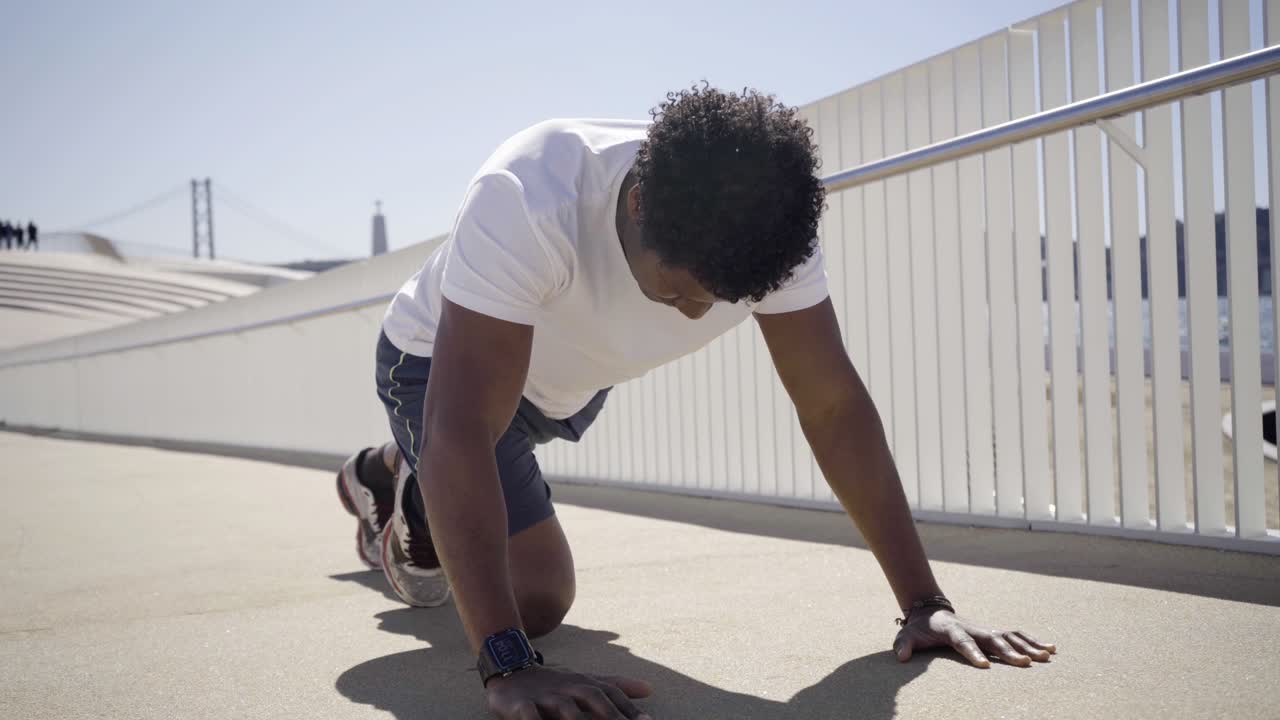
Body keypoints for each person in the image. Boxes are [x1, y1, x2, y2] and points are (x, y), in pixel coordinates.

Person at [334, 85, 1057, 720]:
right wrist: (507, 664)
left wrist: (925, 602)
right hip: (439, 368)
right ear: (639, 202)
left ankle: (398, 466)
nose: (691, 314)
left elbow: (833, 408)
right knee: (540, 600)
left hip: (562, 387)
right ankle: (407, 489)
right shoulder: (531, 192)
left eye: (720, 301)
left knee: (496, 523)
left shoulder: (772, 231)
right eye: (679, 287)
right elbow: (462, 427)